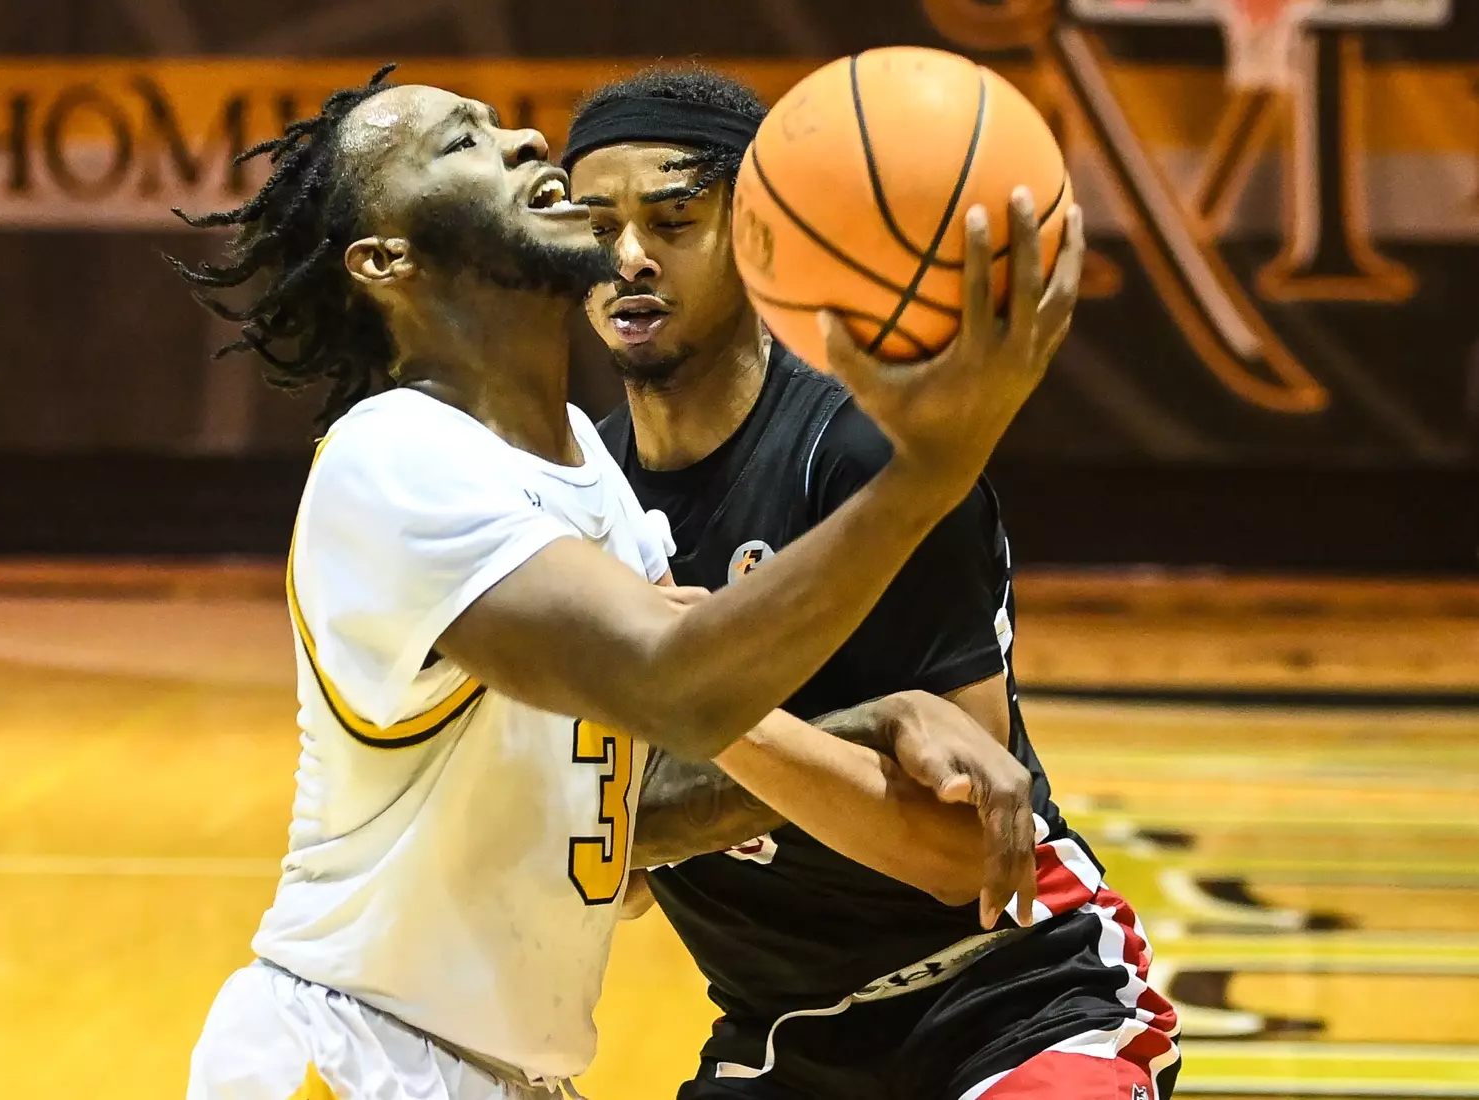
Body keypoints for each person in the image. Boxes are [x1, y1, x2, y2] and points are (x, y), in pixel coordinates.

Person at [170, 66, 1076, 1100]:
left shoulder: (588, 472)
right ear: (387, 259)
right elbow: (673, 686)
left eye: (505, 122)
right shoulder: (397, 458)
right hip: (357, 1053)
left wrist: (873, 725)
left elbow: (632, 797)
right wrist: (930, 472)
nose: (520, 139)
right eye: (462, 143)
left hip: (501, 1071)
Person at [563, 66, 1179, 1100]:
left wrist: (689, 691)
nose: (628, 255)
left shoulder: (865, 459)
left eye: (674, 218)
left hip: (1015, 997)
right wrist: (839, 726)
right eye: (596, 224)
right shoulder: (581, 502)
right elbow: (608, 857)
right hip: (784, 1039)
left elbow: (957, 851)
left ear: (756, 232)